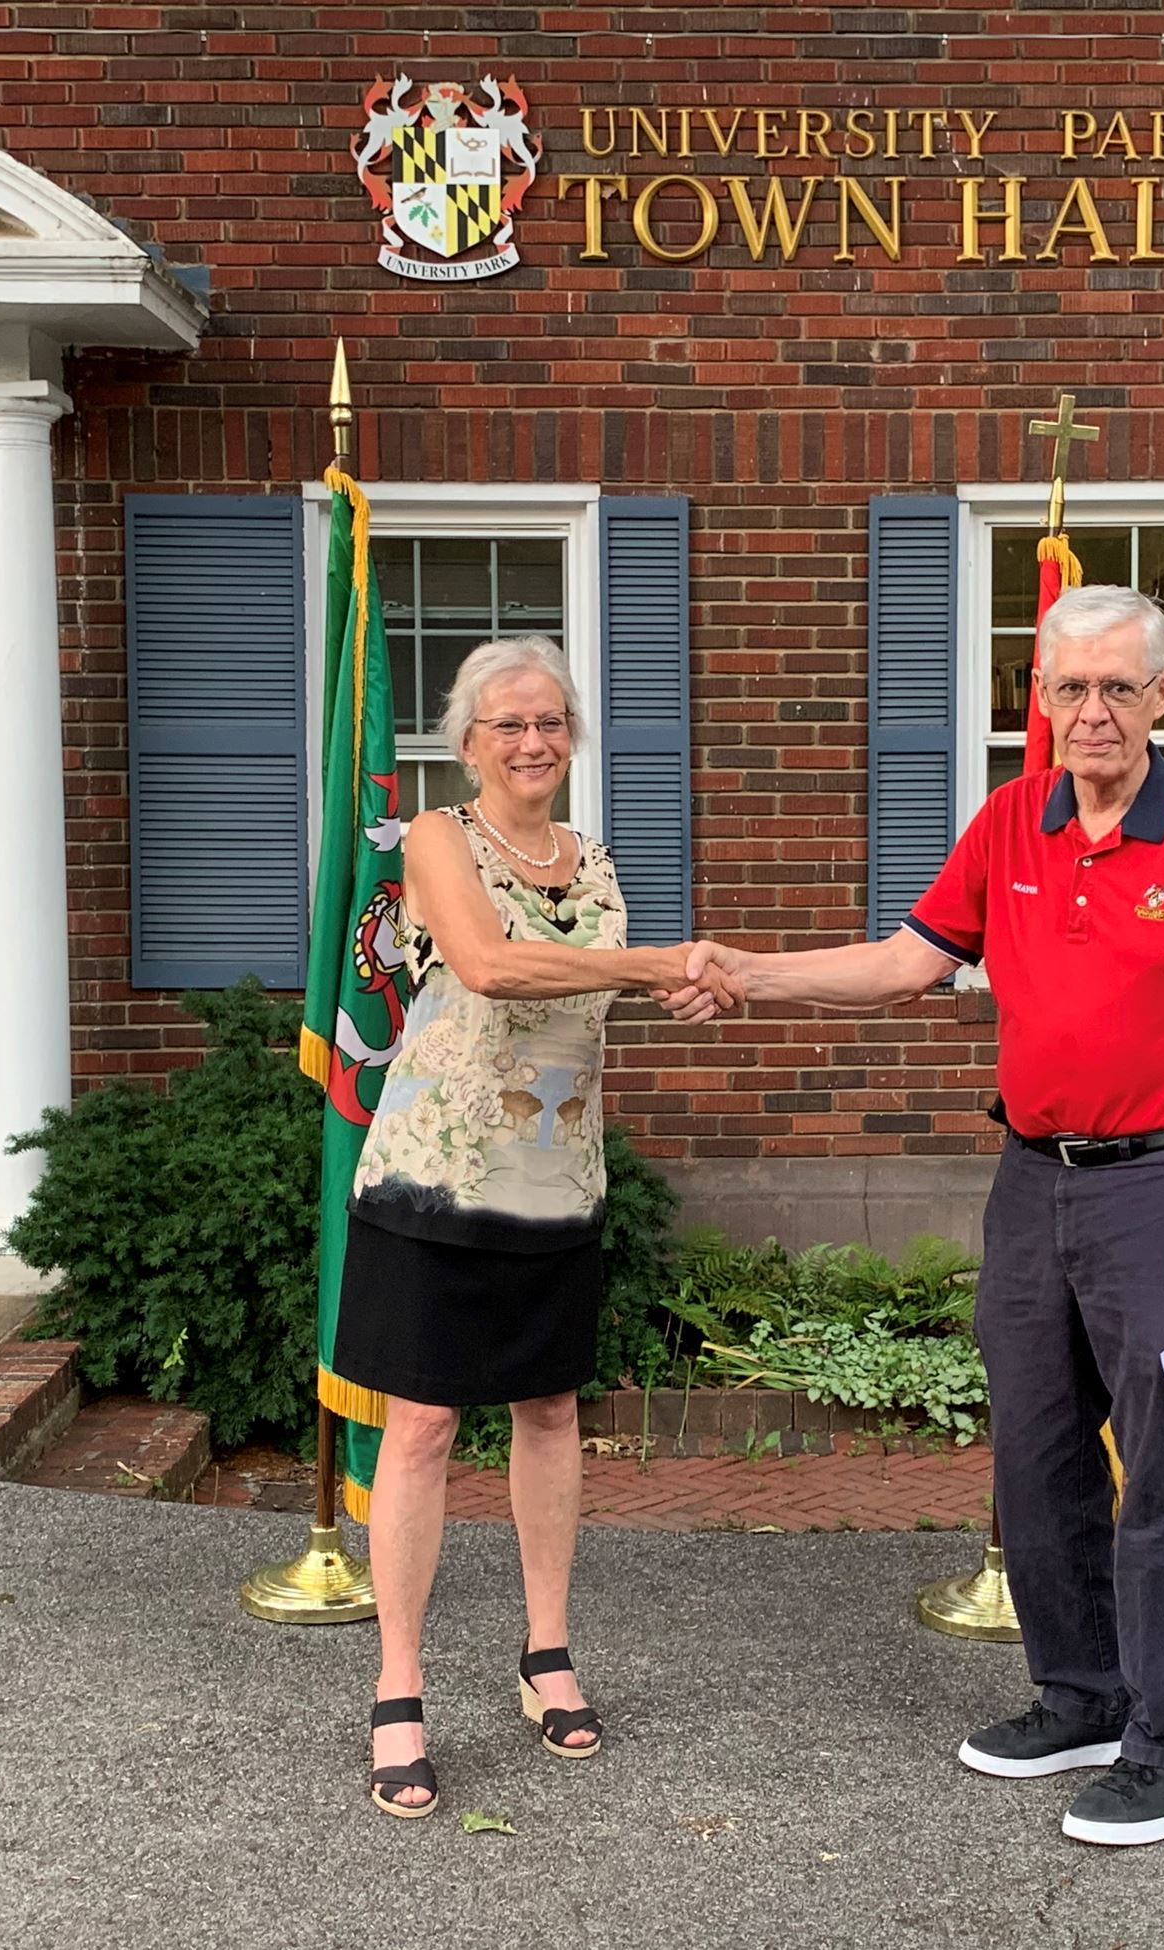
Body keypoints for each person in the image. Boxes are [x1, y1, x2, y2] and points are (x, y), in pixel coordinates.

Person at [691, 585, 1164, 1848]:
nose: (1093, 712)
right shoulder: (1007, 826)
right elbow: (903, 963)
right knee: (1033, 1462)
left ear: (1161, 697)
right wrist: (752, 973)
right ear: (1036, 700)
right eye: (1068, 689)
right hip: (1032, 1185)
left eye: (1117, 689)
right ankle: (1081, 1697)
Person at [339, 634, 732, 1819]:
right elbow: (489, 964)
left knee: (551, 1411)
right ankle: (398, 1685)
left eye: (550, 721)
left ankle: (544, 1650)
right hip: (435, 1181)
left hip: (558, 1182)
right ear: (467, 742)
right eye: (507, 723)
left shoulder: (592, 857)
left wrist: (689, 988)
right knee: (419, 1427)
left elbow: (592, 986)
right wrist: (661, 957)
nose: (532, 741)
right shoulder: (432, 841)